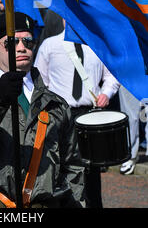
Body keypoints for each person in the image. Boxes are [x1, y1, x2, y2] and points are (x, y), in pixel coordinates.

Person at [0, 12, 84, 208]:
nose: (22, 48)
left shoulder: (55, 103)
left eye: (28, 42)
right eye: (11, 42)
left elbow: (72, 163)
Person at [34, 25, 120, 208]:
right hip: (60, 115)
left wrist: (106, 93)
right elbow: (41, 81)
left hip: (90, 114)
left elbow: (112, 76)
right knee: (59, 165)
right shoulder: (50, 45)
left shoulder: (98, 46)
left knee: (91, 169)